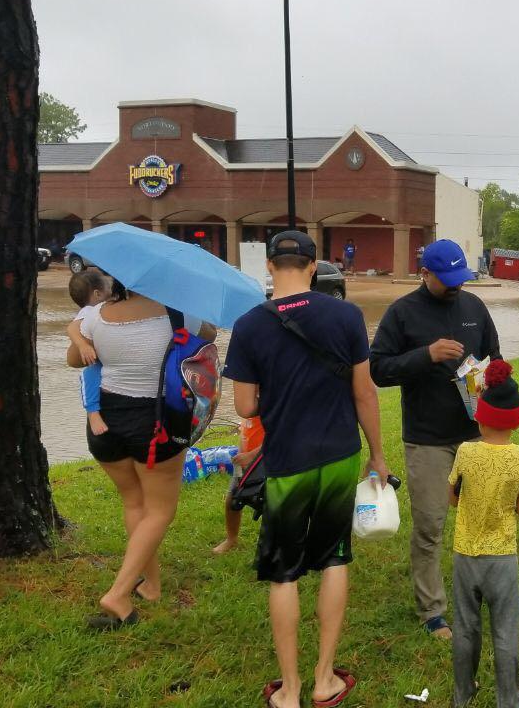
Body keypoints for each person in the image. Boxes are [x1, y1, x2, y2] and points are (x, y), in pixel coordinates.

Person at [225, 230, 390, 708]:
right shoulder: (346, 315)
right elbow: (364, 392)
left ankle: (290, 690)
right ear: (314, 267)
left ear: (271, 268)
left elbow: (246, 405)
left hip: (287, 462)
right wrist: (377, 454)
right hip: (339, 455)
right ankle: (325, 679)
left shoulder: (251, 324)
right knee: (335, 558)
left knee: (284, 572)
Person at [371, 238, 519, 639]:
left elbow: (495, 358)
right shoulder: (402, 313)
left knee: (487, 520)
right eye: (447, 280)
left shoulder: (474, 307)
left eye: (461, 278)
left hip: (475, 434)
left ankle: (497, 591)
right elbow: (378, 369)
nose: (456, 286)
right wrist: (425, 355)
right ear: (424, 273)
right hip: (427, 438)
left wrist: (491, 378)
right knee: (430, 523)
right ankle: (432, 609)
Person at [66, 278, 216, 630]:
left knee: (135, 503)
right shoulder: (180, 315)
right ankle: (118, 593)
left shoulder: (95, 316)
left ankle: (150, 584)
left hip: (105, 421)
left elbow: (75, 360)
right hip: (157, 422)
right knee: (161, 510)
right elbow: (208, 336)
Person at [448, 359, 519, 708]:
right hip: (502, 558)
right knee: (505, 633)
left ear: (479, 416)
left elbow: (452, 499)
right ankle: (509, 701)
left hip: (465, 554)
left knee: (466, 628)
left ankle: (462, 696)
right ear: (518, 419)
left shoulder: (465, 452)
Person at [67, 269, 111, 437]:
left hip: (104, 356)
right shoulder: (89, 311)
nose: (111, 288)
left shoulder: (100, 308)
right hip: (94, 358)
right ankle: (92, 412)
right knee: (90, 375)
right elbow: (71, 328)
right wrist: (82, 346)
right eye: (108, 286)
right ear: (97, 294)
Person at [212, 415, 263, 555]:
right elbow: (245, 433)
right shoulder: (248, 409)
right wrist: (241, 453)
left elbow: (276, 438)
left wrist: (251, 456)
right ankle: (231, 539)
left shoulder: (272, 406)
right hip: (244, 463)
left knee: (270, 505)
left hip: (264, 462)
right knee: (232, 500)